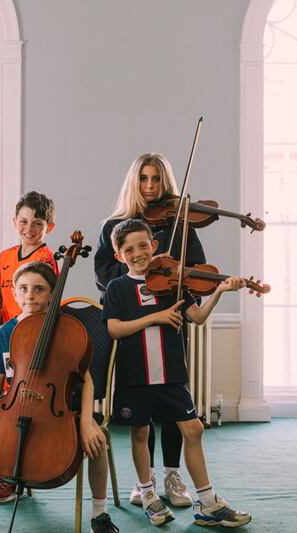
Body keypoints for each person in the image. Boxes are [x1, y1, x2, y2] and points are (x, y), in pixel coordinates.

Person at [0, 262, 119, 533]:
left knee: (98, 441)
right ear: (15, 294)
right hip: (14, 406)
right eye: (23, 289)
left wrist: (85, 421)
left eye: (39, 289)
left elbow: (87, 381)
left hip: (59, 407)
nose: (30, 295)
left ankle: (99, 517)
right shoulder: (7, 332)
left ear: (51, 294)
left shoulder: (70, 330)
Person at [103, 219, 251, 528]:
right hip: (135, 376)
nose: (138, 253)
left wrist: (220, 290)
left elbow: (196, 316)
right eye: (129, 249)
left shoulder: (174, 282)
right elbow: (114, 329)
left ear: (154, 246)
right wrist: (155, 317)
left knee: (194, 429)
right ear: (119, 255)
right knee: (140, 433)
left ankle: (207, 502)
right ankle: (147, 494)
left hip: (171, 374)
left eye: (144, 245)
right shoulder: (117, 287)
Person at [94, 153, 204, 507]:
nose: (150, 186)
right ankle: (147, 481)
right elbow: (104, 272)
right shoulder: (114, 225)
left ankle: (173, 475)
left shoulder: (179, 223)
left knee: (172, 400)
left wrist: (171, 278)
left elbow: (197, 269)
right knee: (141, 411)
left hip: (170, 315)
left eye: (157, 179)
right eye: (144, 178)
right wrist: (141, 282)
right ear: (134, 182)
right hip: (133, 321)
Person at [0, 191, 59, 503]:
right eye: (23, 222)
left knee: (19, 404)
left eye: (37, 223)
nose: (29, 228)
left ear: (49, 226)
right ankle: (0, 466)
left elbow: (47, 307)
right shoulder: (5, 256)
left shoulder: (47, 260)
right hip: (4, 339)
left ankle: (12, 474)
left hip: (30, 340)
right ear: (14, 221)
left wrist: (9, 328)